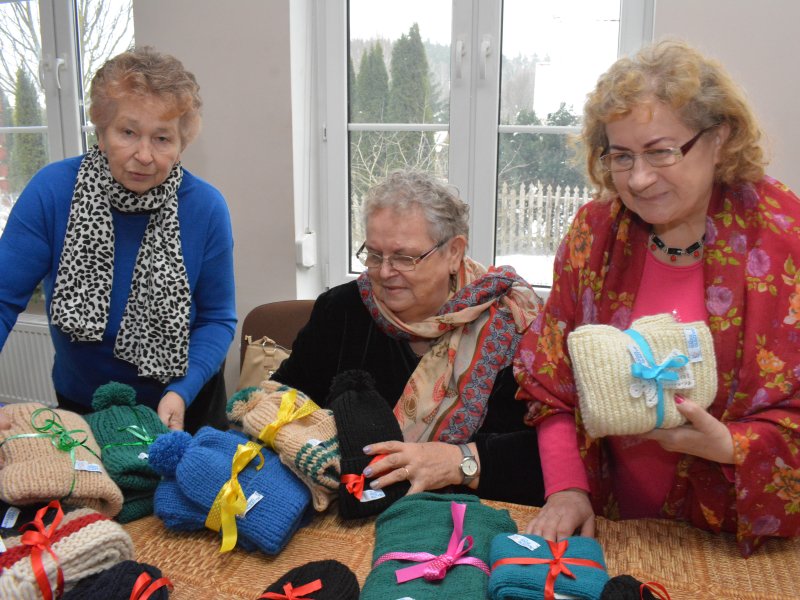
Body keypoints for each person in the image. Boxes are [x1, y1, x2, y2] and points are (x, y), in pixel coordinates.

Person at [513, 39, 800, 556]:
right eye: (621, 156)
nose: (639, 179)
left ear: (719, 137)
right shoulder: (595, 233)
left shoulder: (784, 240)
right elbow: (549, 378)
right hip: (610, 528)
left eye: (661, 151)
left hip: (738, 545)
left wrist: (734, 446)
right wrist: (566, 488)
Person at [273, 169, 546, 505]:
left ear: (454, 252)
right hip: (347, 512)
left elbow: (548, 459)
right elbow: (284, 399)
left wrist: (459, 461)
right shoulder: (341, 310)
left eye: (404, 258)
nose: (385, 272)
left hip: (471, 516)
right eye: (374, 255)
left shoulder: (508, 327)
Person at [0, 47, 236, 432]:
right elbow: (2, 299)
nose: (144, 155)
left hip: (183, 402)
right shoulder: (52, 191)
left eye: (162, 138)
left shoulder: (206, 208)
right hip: (85, 405)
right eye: (128, 132)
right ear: (102, 132)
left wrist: (181, 390)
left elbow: (216, 318)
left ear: (181, 144)